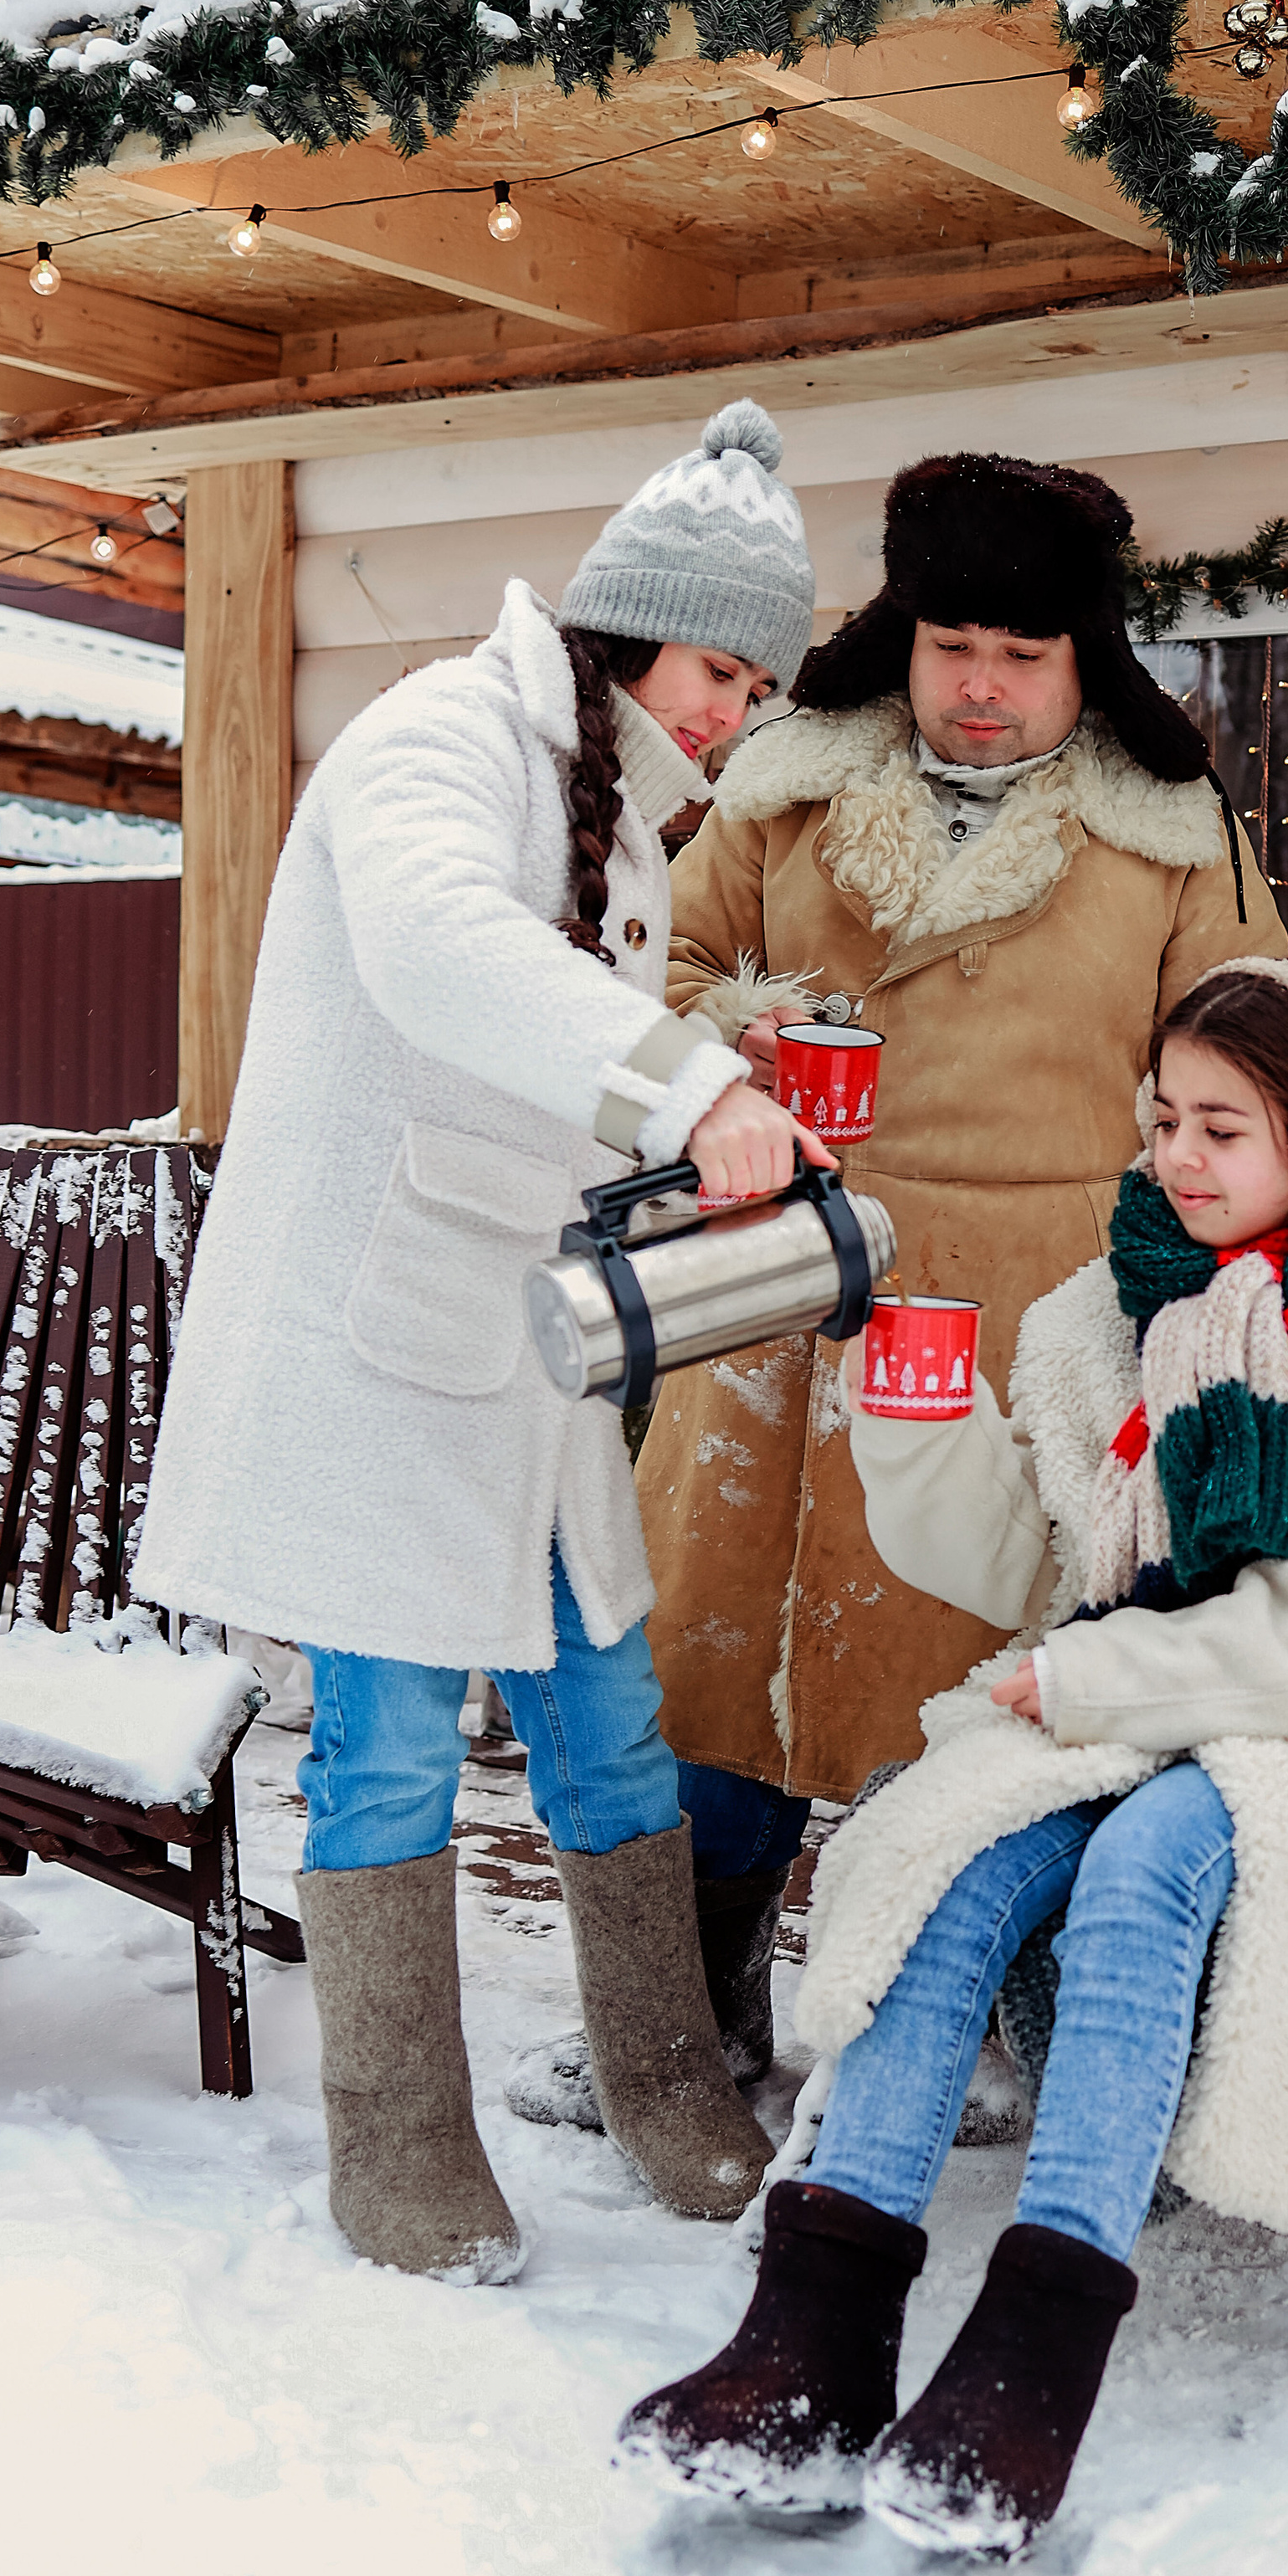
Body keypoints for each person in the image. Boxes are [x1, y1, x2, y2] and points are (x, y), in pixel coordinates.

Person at [618, 960, 1288, 2553]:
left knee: (1147, 1860)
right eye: (1164, 1119)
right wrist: (914, 1425)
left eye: (1223, 1129)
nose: (1178, 1157)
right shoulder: (1096, 1318)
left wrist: (1098, 1675)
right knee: (957, 1856)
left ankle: (1034, 2358)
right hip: (1127, 1712)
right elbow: (1028, 1562)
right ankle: (816, 2339)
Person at [136, 400, 830, 2279]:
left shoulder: (621, 813)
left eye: (755, 685)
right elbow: (440, 949)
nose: (730, 714)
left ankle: (663, 2082)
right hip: (385, 1350)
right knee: (387, 1751)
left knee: (613, 1719)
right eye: (717, 670)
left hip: (525, 1353)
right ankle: (399, 2143)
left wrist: (701, 1103)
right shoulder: (441, 735)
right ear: (632, 632)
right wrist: (687, 1084)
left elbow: (538, 1066)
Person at [566, 451, 1288, 2102]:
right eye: (951, 643)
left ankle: (946, 2032)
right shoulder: (779, 789)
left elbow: (1248, 1068)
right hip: (769, 1290)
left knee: (972, 1681)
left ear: (1083, 660)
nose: (980, 684)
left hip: (1026, 1321)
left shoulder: (1177, 836)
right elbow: (653, 973)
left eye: (1023, 655)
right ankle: (688, 2031)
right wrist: (735, 1045)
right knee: (716, 1667)